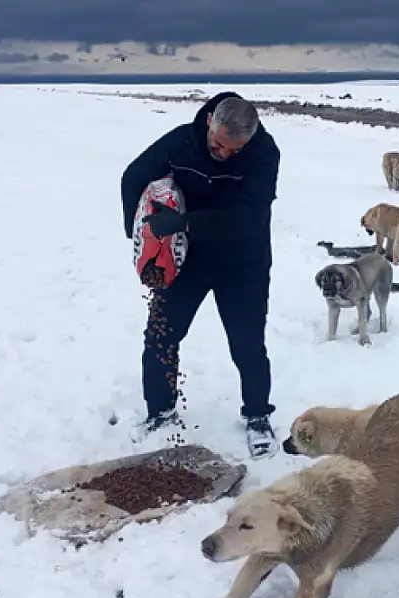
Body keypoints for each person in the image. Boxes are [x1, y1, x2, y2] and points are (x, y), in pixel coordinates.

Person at [120, 92, 280, 459]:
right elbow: (134, 176)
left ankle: (257, 416)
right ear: (210, 122)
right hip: (185, 259)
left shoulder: (264, 154)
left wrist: (183, 222)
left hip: (244, 260)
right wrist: (139, 234)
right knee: (161, 335)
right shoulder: (182, 141)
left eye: (233, 151)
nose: (224, 154)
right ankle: (160, 412)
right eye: (219, 145)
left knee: (247, 343)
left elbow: (248, 217)